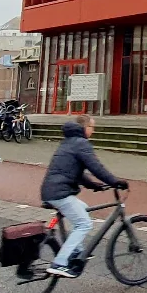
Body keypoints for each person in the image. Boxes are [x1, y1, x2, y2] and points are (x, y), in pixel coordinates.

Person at [40, 114, 126, 278]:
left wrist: (94, 185)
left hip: (51, 190)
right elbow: (96, 167)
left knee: (83, 209)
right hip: (60, 193)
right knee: (84, 224)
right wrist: (115, 182)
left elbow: (76, 172)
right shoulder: (81, 143)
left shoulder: (68, 142)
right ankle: (60, 263)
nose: (93, 131)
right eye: (92, 127)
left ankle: (76, 251)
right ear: (85, 128)